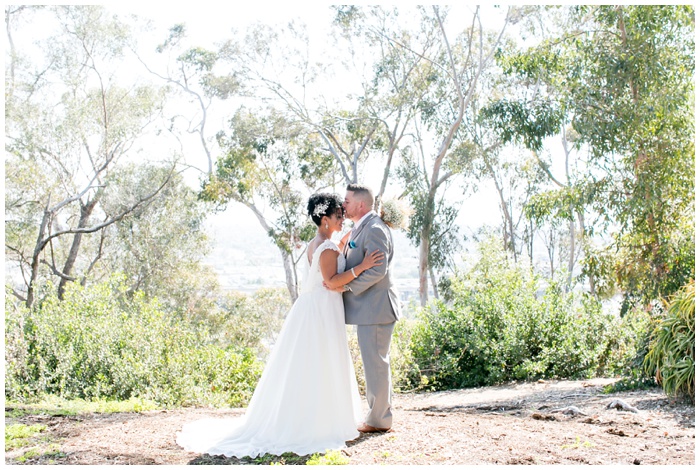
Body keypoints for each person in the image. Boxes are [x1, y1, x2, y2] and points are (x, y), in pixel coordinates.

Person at [176, 193, 384, 458]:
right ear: (324, 219)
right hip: (322, 309)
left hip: (317, 308)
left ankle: (315, 417)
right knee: (321, 363)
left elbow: (333, 260)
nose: (342, 218)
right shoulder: (328, 248)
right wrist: (363, 266)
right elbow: (331, 281)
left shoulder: (319, 242)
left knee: (314, 365)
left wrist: (351, 236)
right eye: (338, 215)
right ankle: (315, 423)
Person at [341, 184, 401, 433]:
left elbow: (378, 270)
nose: (343, 205)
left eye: (347, 201)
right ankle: (379, 414)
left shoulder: (374, 228)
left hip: (376, 307)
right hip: (369, 309)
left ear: (361, 205)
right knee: (374, 362)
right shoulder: (362, 226)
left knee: (376, 363)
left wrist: (346, 287)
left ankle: (379, 420)